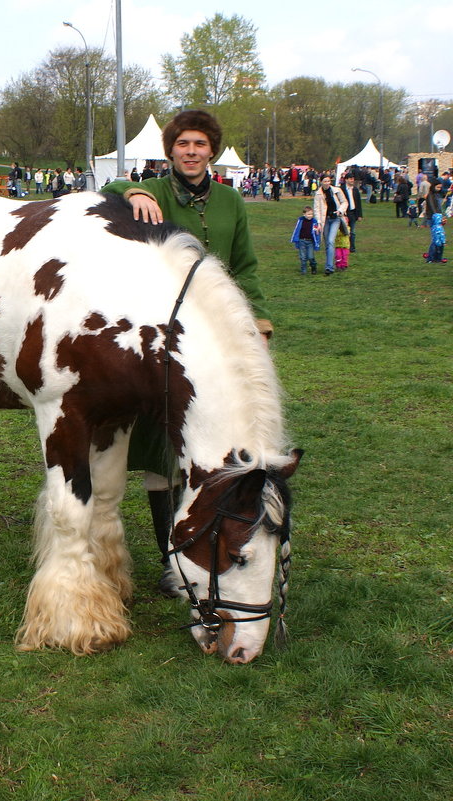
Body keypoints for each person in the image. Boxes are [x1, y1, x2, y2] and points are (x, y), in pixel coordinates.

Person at [99, 109, 272, 561]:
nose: (191, 152)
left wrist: (260, 321)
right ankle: (168, 553)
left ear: (211, 149)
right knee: (161, 444)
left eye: (198, 144)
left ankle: (215, 521)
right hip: (164, 335)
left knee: (214, 429)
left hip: (218, 334)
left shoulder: (231, 201)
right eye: (182, 144)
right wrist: (134, 189)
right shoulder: (154, 190)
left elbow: (245, 267)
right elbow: (107, 189)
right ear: (170, 151)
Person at [313, 175, 348, 275]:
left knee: (331, 241)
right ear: (321, 182)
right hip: (325, 220)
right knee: (327, 243)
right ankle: (329, 264)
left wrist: (340, 211)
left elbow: (344, 202)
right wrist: (319, 222)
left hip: (336, 219)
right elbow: (316, 209)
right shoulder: (318, 194)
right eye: (325, 181)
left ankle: (329, 267)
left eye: (329, 181)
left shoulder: (337, 191)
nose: (327, 183)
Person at [290, 206, 321, 274]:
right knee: (303, 256)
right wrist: (295, 239)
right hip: (302, 241)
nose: (310, 216)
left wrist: (317, 242)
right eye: (308, 214)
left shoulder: (314, 221)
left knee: (310, 256)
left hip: (310, 242)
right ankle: (303, 270)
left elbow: (316, 233)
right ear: (304, 214)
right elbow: (297, 230)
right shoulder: (301, 220)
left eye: (311, 214)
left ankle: (313, 266)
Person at [423, 177, 447, 263]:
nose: (439, 189)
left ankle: (438, 257)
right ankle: (431, 258)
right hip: (433, 218)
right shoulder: (430, 195)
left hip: (439, 217)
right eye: (437, 187)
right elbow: (433, 207)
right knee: (436, 239)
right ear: (433, 186)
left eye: (440, 187)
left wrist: (443, 216)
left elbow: (440, 207)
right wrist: (437, 216)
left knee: (441, 238)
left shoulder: (438, 195)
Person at [342, 173, 363, 252]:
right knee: (345, 231)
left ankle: (352, 247)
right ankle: (345, 246)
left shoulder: (355, 189)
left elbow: (358, 203)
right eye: (350, 179)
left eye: (353, 179)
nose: (352, 181)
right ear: (346, 179)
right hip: (345, 213)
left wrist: (359, 215)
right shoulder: (342, 189)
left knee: (353, 232)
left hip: (353, 213)